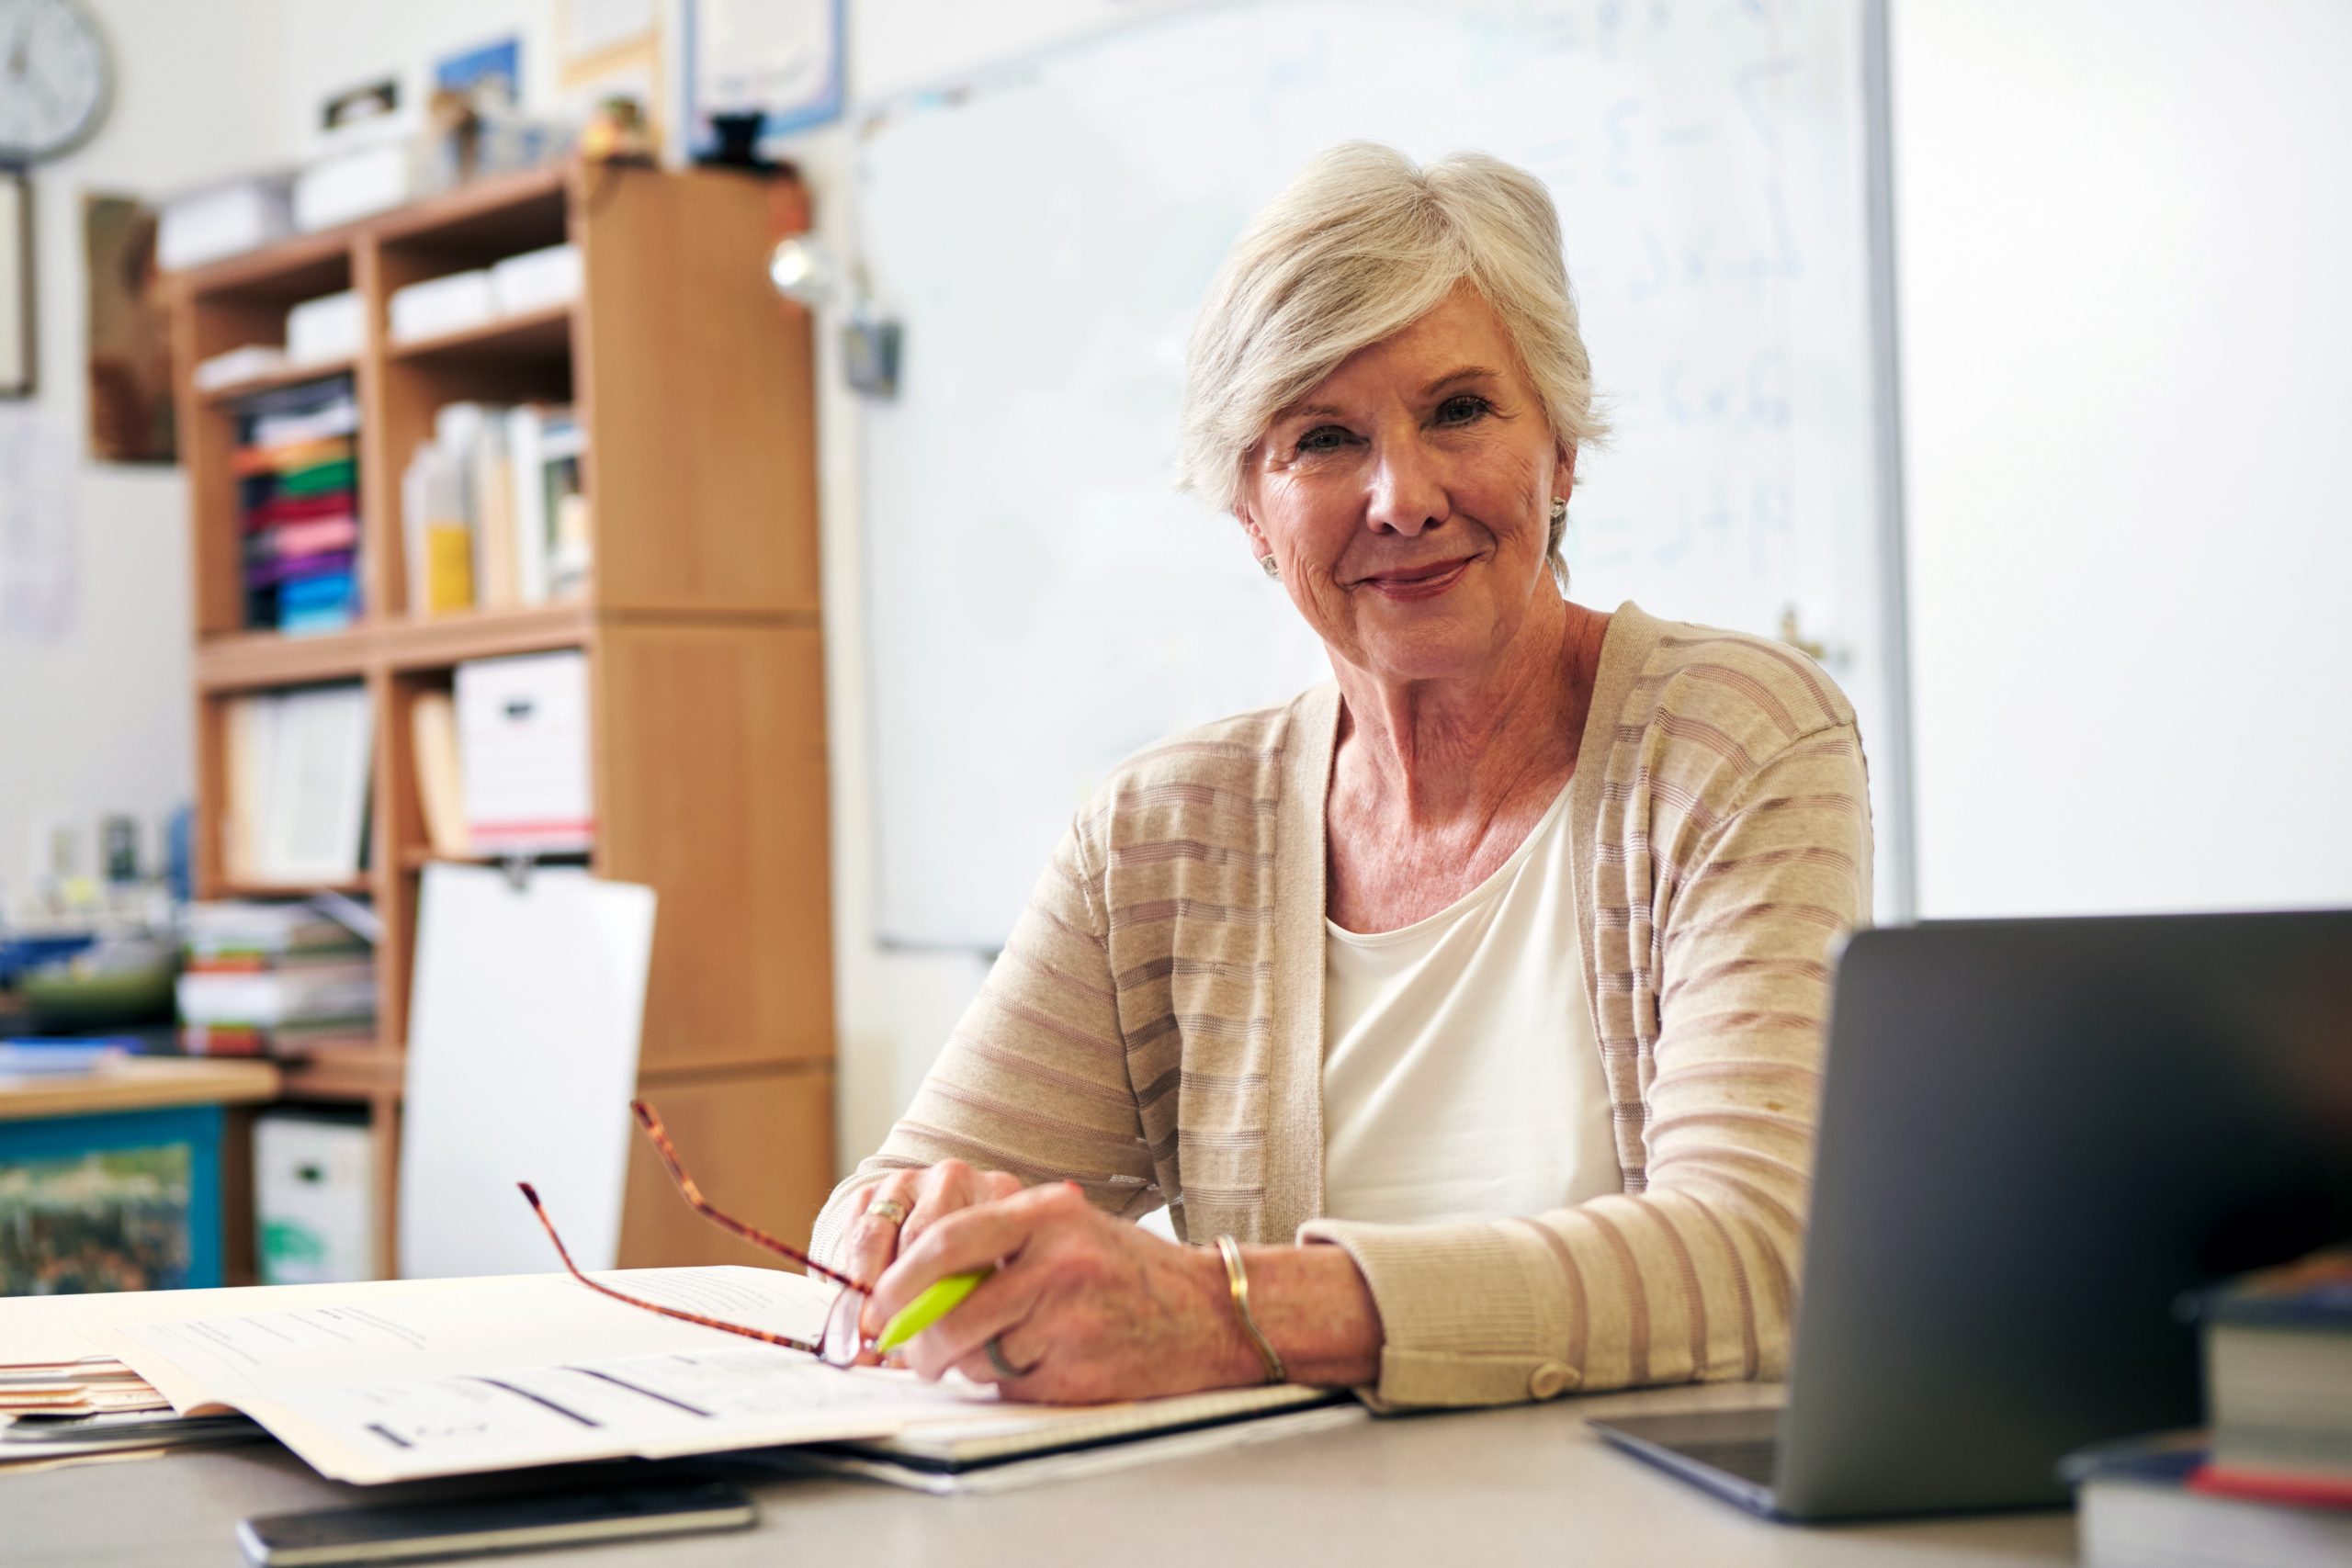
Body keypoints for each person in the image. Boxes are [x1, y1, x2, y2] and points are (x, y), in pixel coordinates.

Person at [812, 141, 1872, 1409]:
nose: (1401, 497)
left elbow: (1752, 1256)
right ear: (1253, 519)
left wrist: (1230, 1312)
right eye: (1323, 438)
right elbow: (882, 1203)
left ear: (1564, 451)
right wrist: (903, 1229)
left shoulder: (1734, 738)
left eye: (1462, 411)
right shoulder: (1158, 838)